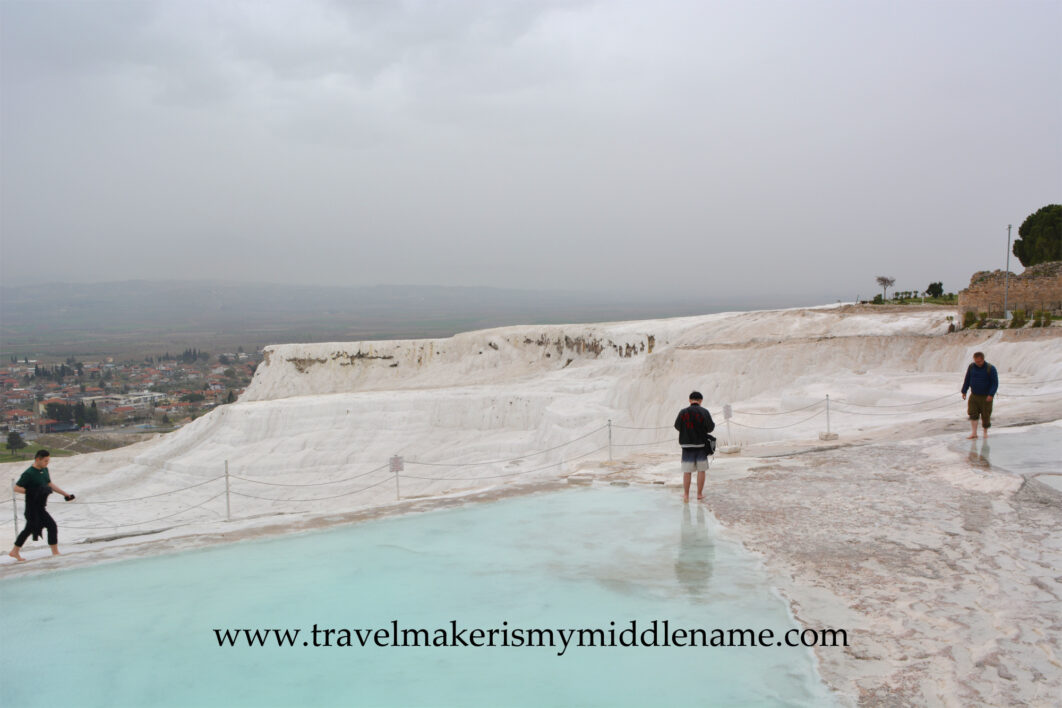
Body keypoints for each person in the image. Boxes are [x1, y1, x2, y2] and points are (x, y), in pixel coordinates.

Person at [7, 450, 75, 561]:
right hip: (31, 508)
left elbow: (49, 484)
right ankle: (55, 553)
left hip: (41, 507)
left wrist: (65, 494)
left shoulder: (44, 470)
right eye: (45, 461)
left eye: (48, 461)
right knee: (47, 526)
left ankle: (15, 551)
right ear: (38, 459)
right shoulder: (29, 473)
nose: (47, 463)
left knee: (36, 528)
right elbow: (16, 488)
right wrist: (33, 491)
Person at [674, 391, 715, 503]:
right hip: (701, 445)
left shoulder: (683, 412)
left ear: (689, 400)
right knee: (701, 470)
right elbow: (711, 427)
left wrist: (686, 432)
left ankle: (686, 495)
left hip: (686, 446)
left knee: (687, 471)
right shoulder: (704, 411)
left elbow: (677, 426)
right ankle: (699, 494)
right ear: (701, 401)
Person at [961, 351, 998, 440]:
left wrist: (991, 394)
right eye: (976, 361)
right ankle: (974, 433)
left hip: (986, 396)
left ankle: (985, 433)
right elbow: (967, 379)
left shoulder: (991, 368)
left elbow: (995, 383)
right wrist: (964, 391)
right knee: (972, 413)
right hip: (974, 395)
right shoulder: (971, 367)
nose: (977, 363)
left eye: (979, 362)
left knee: (986, 415)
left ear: (983, 360)